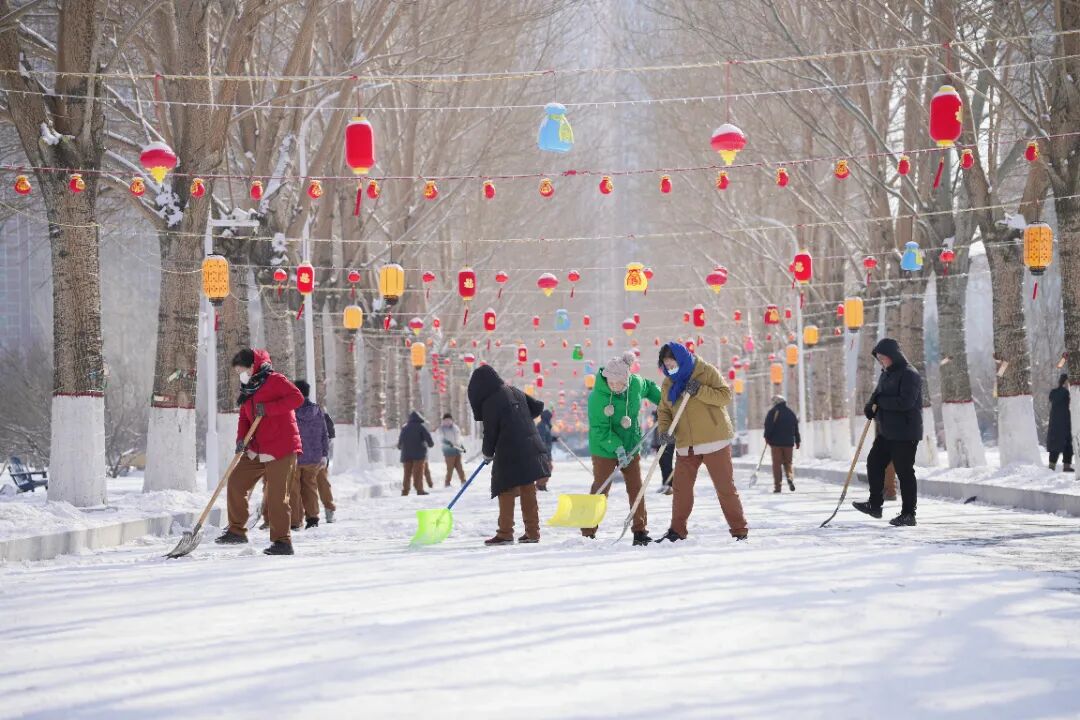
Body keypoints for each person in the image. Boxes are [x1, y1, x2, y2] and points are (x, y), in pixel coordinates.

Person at [654, 342, 748, 542]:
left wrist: (700, 390)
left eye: (672, 364)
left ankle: (739, 529)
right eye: (666, 366)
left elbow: (725, 396)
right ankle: (677, 531)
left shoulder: (705, 371)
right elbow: (664, 411)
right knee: (681, 489)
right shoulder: (668, 383)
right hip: (686, 444)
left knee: (724, 487)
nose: (670, 369)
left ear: (681, 359)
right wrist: (665, 431)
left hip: (714, 439)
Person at [215, 348, 303, 555]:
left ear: (253, 366)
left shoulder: (276, 380)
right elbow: (244, 418)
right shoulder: (248, 388)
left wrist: (269, 408)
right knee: (236, 482)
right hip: (256, 447)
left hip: (281, 447)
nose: (240, 374)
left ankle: (282, 542)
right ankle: (237, 531)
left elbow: (297, 398)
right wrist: (241, 439)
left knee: (276, 496)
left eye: (242, 370)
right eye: (238, 371)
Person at [467, 365, 551, 545]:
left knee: (504, 489)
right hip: (530, 445)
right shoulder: (514, 391)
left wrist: (487, 453)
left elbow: (490, 433)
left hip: (510, 449)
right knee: (528, 488)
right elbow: (537, 407)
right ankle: (532, 532)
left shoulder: (490, 401)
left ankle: (505, 533)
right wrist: (520, 416)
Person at [586, 351, 662, 545]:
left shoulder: (636, 384)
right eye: (610, 382)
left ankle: (640, 530)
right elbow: (600, 429)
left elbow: (650, 387)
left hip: (631, 445)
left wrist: (664, 403)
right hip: (603, 448)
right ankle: (588, 530)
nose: (613, 386)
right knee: (601, 487)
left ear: (627, 380)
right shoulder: (597, 397)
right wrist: (617, 448)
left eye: (618, 383)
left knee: (636, 487)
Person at [853, 338, 923, 527]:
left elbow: (905, 402)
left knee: (904, 472)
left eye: (883, 358)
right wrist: (870, 406)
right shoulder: (886, 374)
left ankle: (909, 514)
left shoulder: (909, 374)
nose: (881, 361)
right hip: (887, 432)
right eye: (879, 359)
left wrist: (880, 403)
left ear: (894, 356)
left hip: (905, 432)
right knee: (874, 463)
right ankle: (875, 504)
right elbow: (877, 396)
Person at [291, 380, 329, 529]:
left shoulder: (290, 410)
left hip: (294, 456)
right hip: (313, 456)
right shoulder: (317, 410)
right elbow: (324, 433)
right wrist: (324, 454)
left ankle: (295, 521)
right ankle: (312, 518)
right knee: (310, 487)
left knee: (293, 489)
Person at [763, 394, 800, 493]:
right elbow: (796, 428)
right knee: (788, 463)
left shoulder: (772, 412)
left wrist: (766, 437)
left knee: (777, 465)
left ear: (775, 402)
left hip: (776, 444)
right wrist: (797, 440)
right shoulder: (790, 413)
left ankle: (778, 486)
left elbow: (768, 426)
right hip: (789, 443)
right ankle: (790, 478)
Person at [398, 411, 434, 495]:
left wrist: (399, 446)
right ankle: (419, 489)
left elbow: (400, 440)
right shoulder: (421, 427)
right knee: (418, 473)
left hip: (406, 454)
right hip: (419, 454)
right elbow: (428, 439)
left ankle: (405, 490)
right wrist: (430, 444)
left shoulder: (405, 428)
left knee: (407, 473)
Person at [1048, 373, 1073, 472]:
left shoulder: (1054, 392)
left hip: (1055, 423)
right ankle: (1066, 466)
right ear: (1065, 382)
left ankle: (1052, 466)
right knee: (1067, 444)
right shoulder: (1066, 393)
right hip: (1064, 422)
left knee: (1056, 444)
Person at [318, 411, 336, 522]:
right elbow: (331, 436)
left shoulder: (292, 412)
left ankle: (299, 518)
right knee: (323, 483)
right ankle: (329, 510)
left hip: (299, 457)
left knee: (299, 486)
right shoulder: (322, 414)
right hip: (319, 457)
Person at [440, 413, 467, 486]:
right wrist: (448, 443)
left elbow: (459, 439)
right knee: (450, 469)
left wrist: (462, 447)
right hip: (448, 452)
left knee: (459, 467)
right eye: (446, 420)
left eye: (449, 420)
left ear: (451, 420)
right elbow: (441, 439)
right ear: (443, 421)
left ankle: (463, 481)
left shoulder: (455, 428)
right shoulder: (442, 429)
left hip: (457, 451)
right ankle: (447, 483)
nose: (448, 422)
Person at [651, 410, 675, 495]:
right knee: (662, 464)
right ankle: (665, 484)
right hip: (659, 442)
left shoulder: (667, 413)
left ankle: (669, 485)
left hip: (668, 441)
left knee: (667, 464)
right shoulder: (657, 415)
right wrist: (654, 444)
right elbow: (655, 431)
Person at [536, 409, 557, 490]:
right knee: (547, 468)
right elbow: (541, 440)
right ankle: (540, 484)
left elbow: (547, 438)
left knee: (547, 468)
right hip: (543, 452)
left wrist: (553, 438)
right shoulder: (542, 426)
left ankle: (541, 484)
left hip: (546, 452)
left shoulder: (546, 426)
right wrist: (544, 453)